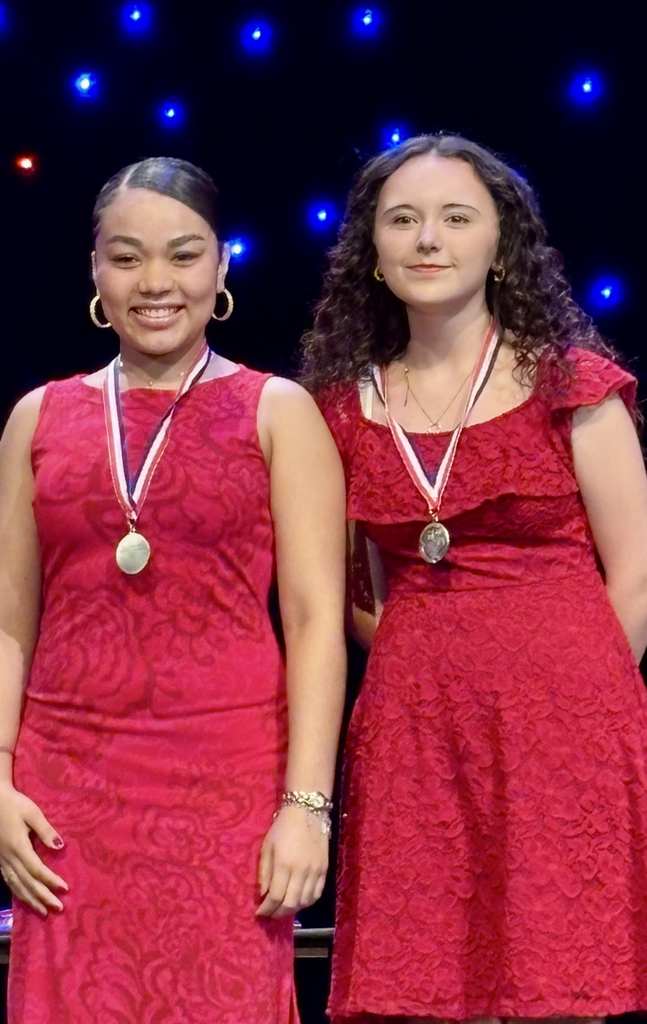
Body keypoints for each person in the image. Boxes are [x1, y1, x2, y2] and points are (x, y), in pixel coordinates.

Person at [300, 133, 647, 1024]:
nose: (428, 240)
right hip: (414, 729)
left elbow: (637, 575)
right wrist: (435, 656)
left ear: (500, 247)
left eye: (456, 219)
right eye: (402, 220)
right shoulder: (340, 407)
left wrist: (566, 689)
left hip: (564, 724)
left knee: (551, 986)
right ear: (370, 252)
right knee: (418, 989)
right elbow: (347, 590)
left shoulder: (573, 385)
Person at [0, 156, 346, 1024]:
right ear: (94, 270)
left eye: (183, 255)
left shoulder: (278, 411)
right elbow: (9, 623)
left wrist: (306, 808)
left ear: (221, 267)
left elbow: (312, 625)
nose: (155, 282)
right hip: (67, 796)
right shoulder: (39, 416)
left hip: (225, 789)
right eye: (126, 257)